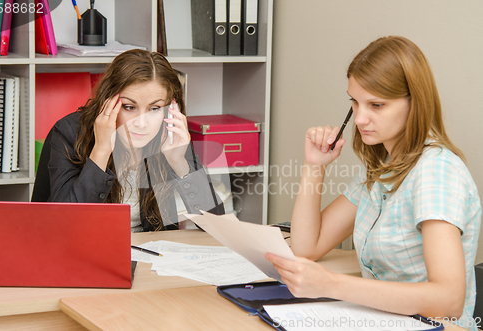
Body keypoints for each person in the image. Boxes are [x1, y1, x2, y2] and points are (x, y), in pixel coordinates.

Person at [266, 36, 481, 330]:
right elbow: (308, 247)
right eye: (355, 102)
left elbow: (449, 301)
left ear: (414, 103)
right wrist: (314, 167)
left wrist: (332, 285)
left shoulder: (436, 172)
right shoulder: (381, 169)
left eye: (376, 105)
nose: (361, 118)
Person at [47, 49, 224, 232]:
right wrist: (100, 151)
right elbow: (63, 226)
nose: (141, 123)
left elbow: (216, 225)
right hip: (88, 252)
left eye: (154, 108)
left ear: (170, 108)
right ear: (107, 102)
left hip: (154, 254)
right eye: (129, 107)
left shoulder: (170, 134)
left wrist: (179, 162)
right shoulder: (69, 132)